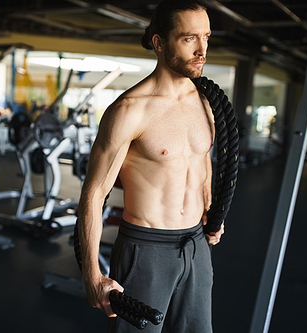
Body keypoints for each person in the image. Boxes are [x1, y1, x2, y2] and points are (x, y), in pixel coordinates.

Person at [76, 0, 225, 331]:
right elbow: (94, 193)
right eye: (189, 39)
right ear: (159, 42)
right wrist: (92, 275)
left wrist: (211, 210)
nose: (202, 50)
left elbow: (203, 164)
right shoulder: (130, 110)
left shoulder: (206, 103)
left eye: (207, 37)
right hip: (146, 248)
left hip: (196, 246)